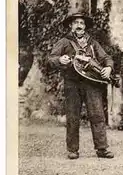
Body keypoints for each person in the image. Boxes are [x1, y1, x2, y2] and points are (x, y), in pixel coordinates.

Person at [49, 12, 115, 160]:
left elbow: (106, 58)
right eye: (76, 23)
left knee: (97, 114)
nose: (79, 25)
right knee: (73, 116)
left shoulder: (93, 43)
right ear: (71, 26)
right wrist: (60, 59)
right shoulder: (64, 42)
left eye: (82, 23)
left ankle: (102, 149)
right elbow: (51, 58)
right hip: (72, 83)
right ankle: (72, 150)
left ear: (85, 27)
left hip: (91, 83)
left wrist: (108, 68)